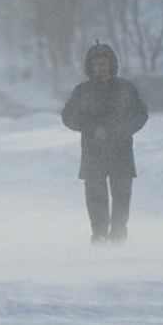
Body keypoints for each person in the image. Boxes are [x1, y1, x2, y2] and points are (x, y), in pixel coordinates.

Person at [62, 42, 148, 245]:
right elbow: (68, 116)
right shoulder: (82, 91)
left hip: (121, 152)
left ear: (112, 64)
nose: (101, 67)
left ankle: (118, 236)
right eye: (97, 63)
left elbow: (141, 114)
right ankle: (99, 236)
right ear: (90, 66)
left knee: (121, 198)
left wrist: (120, 129)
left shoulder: (125, 88)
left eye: (104, 62)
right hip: (94, 153)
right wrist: (92, 128)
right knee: (96, 198)